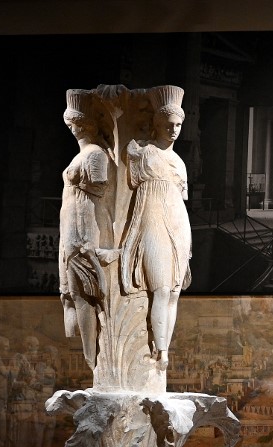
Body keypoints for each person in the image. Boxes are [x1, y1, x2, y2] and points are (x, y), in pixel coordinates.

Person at [119, 85, 192, 370]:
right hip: (151, 218)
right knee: (160, 287)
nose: (173, 130)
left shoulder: (179, 162)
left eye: (178, 125)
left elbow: (181, 201)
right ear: (156, 124)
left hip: (178, 221)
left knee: (174, 291)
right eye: (168, 125)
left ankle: (164, 351)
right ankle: (158, 349)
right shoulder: (140, 151)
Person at [59, 88, 115, 369]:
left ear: (88, 124)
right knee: (75, 292)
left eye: (78, 123)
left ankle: (92, 359)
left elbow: (101, 186)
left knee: (84, 292)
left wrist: (79, 185)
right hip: (71, 223)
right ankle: (90, 357)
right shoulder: (84, 153)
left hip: (84, 222)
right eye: (71, 123)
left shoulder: (94, 154)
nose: (74, 128)